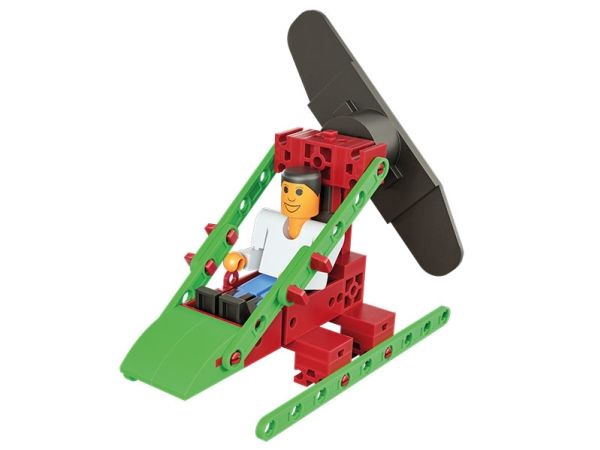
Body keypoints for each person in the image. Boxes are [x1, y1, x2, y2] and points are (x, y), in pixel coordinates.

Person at [223, 166, 344, 301]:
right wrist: (243, 258)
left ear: (316, 197)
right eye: (286, 190)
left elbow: (320, 267)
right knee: (237, 296)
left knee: (259, 303)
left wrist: (293, 277)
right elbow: (259, 252)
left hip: (301, 285)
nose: (291, 198)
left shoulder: (324, 232)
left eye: (299, 192)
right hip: (268, 276)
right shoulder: (270, 220)